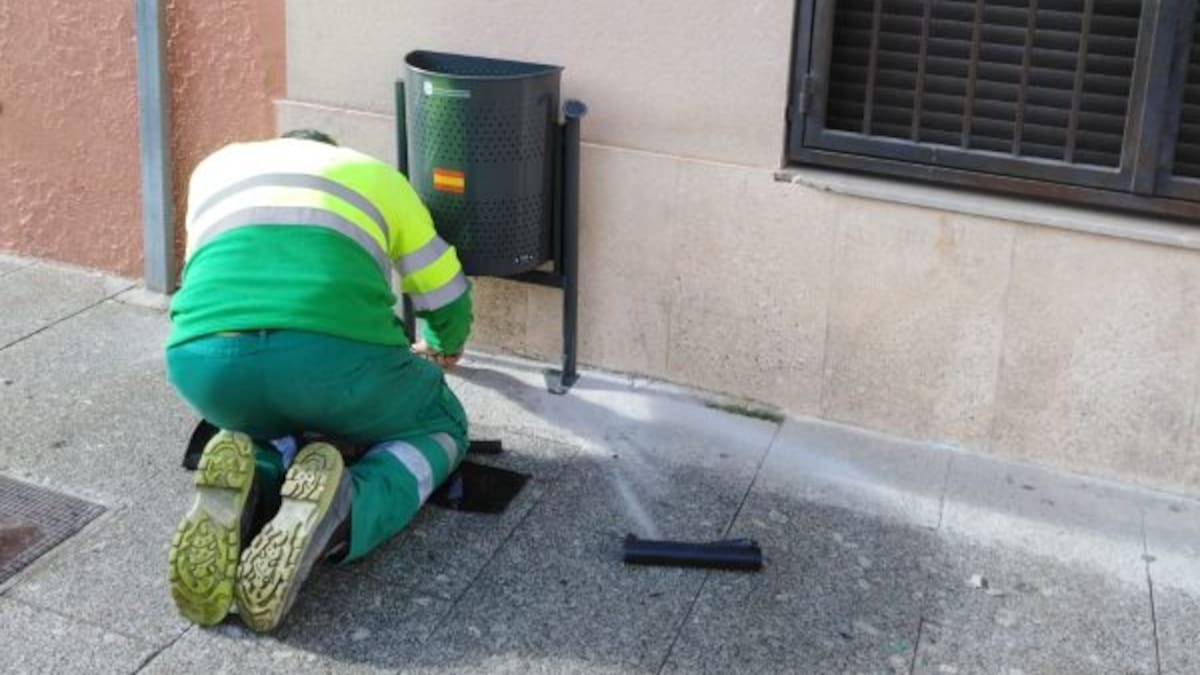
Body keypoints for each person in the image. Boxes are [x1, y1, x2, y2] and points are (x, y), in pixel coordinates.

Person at [163, 129, 472, 633]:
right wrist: (444, 344)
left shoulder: (215, 167)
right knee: (440, 426)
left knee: (262, 416)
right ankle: (347, 507)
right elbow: (444, 289)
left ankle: (257, 481)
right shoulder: (375, 176)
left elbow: (209, 274)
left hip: (205, 361)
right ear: (332, 149)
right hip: (333, 359)